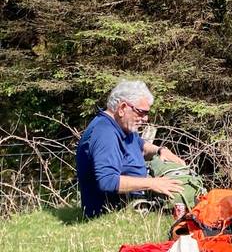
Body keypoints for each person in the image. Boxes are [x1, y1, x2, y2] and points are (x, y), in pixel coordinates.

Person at [76, 80, 186, 218]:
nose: (145, 118)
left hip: (132, 205)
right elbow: (107, 181)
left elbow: (140, 146)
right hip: (111, 214)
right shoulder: (105, 133)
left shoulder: (122, 126)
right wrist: (152, 184)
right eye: (141, 112)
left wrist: (160, 150)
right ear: (122, 108)